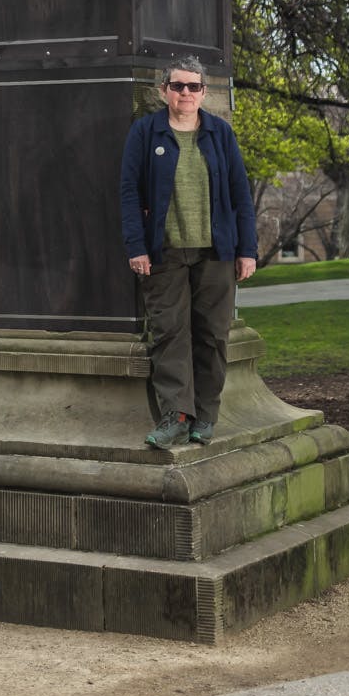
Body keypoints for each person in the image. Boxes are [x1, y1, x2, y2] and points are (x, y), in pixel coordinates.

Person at [119, 61, 258, 451]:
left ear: (203, 93)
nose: (185, 93)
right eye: (177, 86)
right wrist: (137, 247)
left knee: (212, 336)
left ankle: (206, 415)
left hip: (216, 252)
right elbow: (130, 194)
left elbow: (240, 195)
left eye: (193, 87)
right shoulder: (146, 133)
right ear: (164, 90)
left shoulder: (220, 134)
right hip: (164, 253)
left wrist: (247, 250)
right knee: (169, 334)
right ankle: (176, 417)